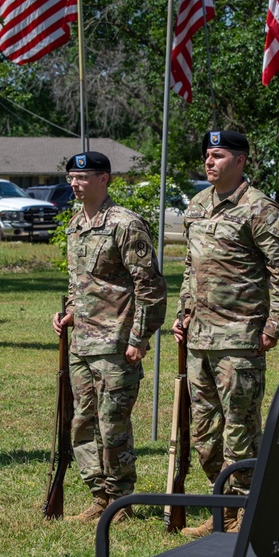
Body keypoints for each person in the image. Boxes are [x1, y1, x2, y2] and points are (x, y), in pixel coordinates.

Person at [171, 130, 279, 538]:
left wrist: (276, 325)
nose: (210, 162)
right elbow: (191, 268)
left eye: (219, 155)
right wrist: (182, 312)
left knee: (240, 428)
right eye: (207, 155)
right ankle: (224, 507)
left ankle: (248, 509)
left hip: (240, 337)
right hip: (199, 337)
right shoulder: (196, 206)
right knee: (205, 432)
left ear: (240, 161)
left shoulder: (259, 209)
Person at [52, 151, 167, 525]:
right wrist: (69, 311)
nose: (75, 183)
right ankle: (99, 496)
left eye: (83, 177)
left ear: (105, 180)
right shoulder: (75, 226)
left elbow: (149, 286)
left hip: (117, 345)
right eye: (71, 177)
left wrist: (139, 337)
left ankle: (121, 500)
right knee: (82, 422)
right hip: (82, 343)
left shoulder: (125, 224)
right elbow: (79, 281)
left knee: (112, 423)